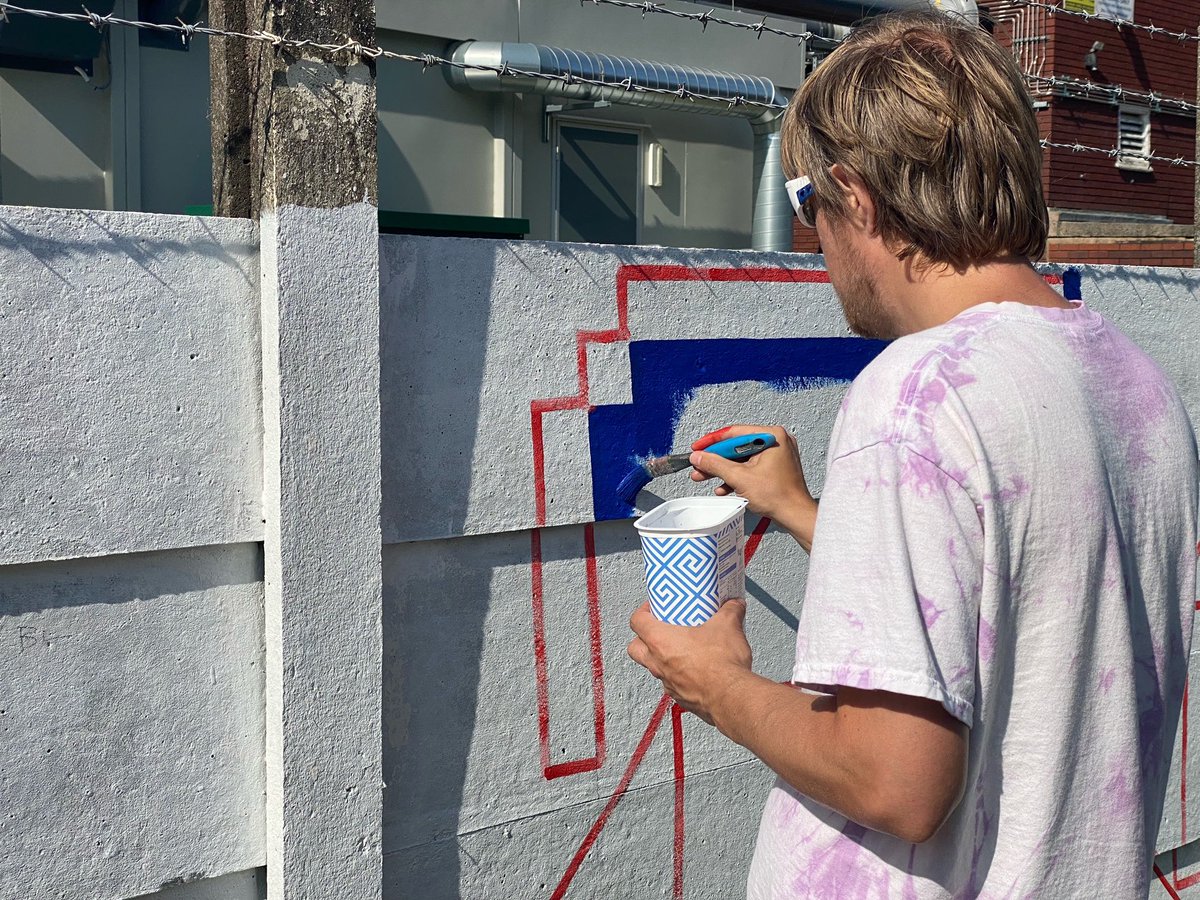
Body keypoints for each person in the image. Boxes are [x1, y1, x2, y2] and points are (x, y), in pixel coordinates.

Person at [626, 10, 1199, 898]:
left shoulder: (916, 397)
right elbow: (1018, 594)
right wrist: (808, 512)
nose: (814, 240)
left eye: (806, 205)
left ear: (854, 194)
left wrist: (718, 684)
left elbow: (897, 782)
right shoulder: (1136, 386)